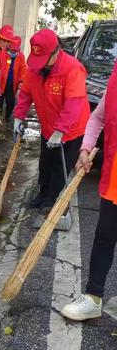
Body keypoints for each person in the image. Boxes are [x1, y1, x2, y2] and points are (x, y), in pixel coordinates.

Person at [61, 60, 117, 320]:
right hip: (114, 177)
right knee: (105, 234)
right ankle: (93, 297)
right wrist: (85, 148)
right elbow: (98, 117)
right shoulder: (115, 79)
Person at [13, 28, 90, 214]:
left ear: (57, 50)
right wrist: (18, 117)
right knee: (45, 161)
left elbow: (74, 104)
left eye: (46, 59)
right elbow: (25, 94)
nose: (42, 65)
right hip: (48, 126)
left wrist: (60, 131)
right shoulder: (35, 69)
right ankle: (42, 194)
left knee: (58, 164)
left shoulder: (72, 69)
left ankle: (53, 200)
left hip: (71, 130)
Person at [0, 36, 28, 121]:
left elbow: (24, 69)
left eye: (15, 50)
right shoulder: (3, 53)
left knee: (11, 103)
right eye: (12, 50)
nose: (13, 51)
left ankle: (6, 118)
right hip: (1, 84)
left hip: (12, 85)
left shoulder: (20, 56)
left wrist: (21, 81)